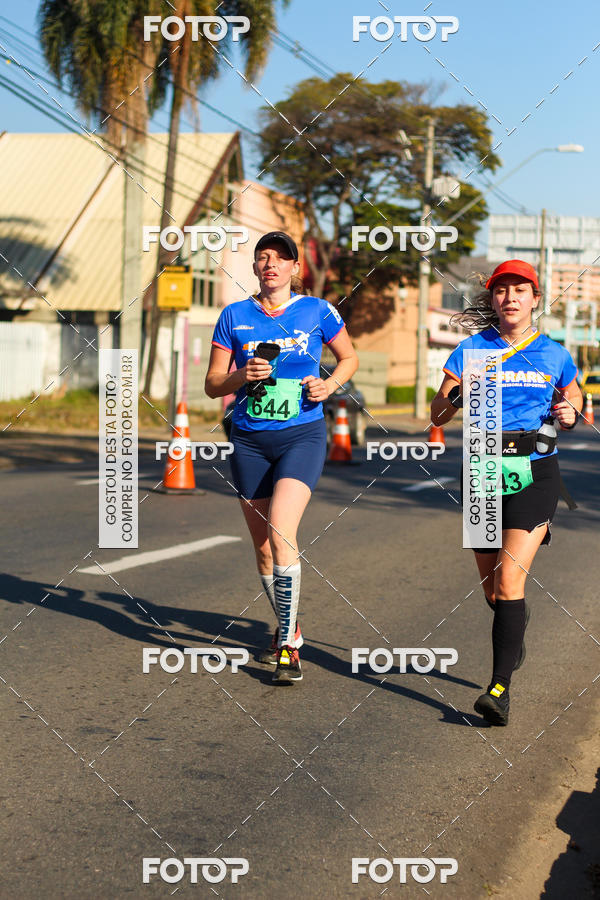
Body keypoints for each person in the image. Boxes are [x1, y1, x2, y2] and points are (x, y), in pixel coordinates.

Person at [431, 259, 582, 725]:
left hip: (535, 471)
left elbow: (573, 395)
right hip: (482, 468)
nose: (510, 297)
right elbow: (437, 413)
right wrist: (454, 398)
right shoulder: (472, 349)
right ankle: (515, 626)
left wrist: (569, 411)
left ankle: (498, 691)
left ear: (535, 298)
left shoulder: (554, 353)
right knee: (493, 590)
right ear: (493, 299)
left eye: (520, 290)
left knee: (510, 581)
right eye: (501, 290)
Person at [205, 231, 358, 684]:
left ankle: (288, 645)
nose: (270, 264)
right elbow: (212, 384)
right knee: (263, 550)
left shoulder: (317, 311)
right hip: (249, 440)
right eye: (263, 257)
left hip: (301, 436)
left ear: (295, 268)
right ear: (255, 267)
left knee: (280, 531)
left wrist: (329, 385)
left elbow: (348, 358)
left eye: (280, 258)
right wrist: (240, 376)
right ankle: (289, 626)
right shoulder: (234, 316)